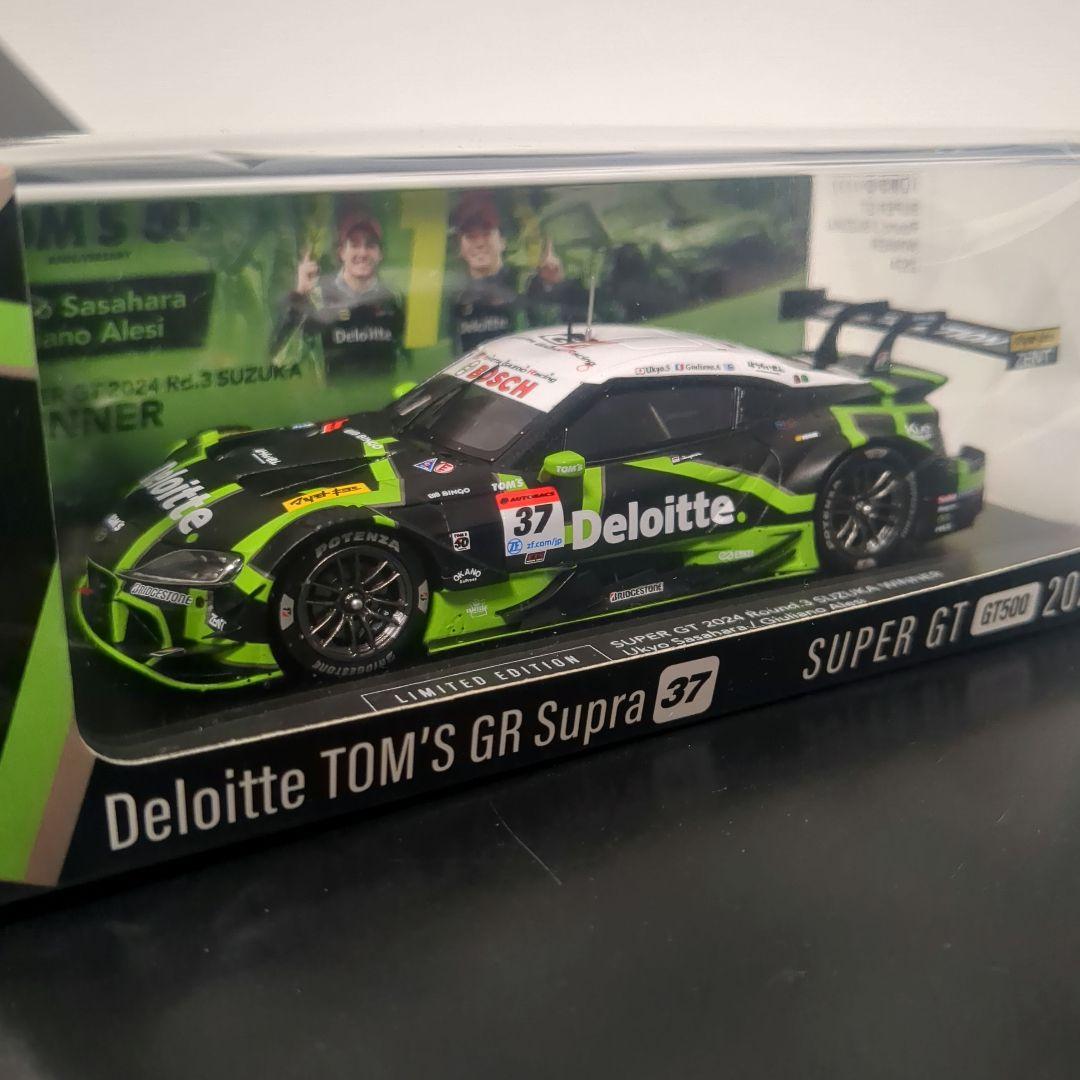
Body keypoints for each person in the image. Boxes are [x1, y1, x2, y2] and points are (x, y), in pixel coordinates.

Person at [275, 212, 405, 378]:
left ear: (380, 254)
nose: (363, 253)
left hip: (384, 392)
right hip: (332, 393)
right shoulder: (318, 295)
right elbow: (282, 359)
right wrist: (299, 294)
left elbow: (405, 358)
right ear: (342, 252)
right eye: (354, 245)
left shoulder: (392, 299)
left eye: (370, 245)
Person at [448, 194, 523, 353]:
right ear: (460, 248)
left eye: (486, 234)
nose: (480, 243)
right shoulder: (453, 296)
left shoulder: (521, 284)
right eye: (470, 237)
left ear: (503, 241)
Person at [524, 239, 589, 330]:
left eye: (555, 269)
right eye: (545, 268)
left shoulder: (571, 289)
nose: (550, 270)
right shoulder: (534, 286)